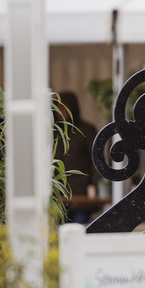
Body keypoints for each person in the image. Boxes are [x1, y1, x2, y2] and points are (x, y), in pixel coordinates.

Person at [55, 92, 99, 224]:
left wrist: (95, 188)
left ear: (73, 108)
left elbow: (96, 162)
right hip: (57, 196)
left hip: (81, 196)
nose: (61, 112)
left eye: (64, 107)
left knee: (78, 229)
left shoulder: (86, 130)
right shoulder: (52, 132)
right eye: (58, 107)